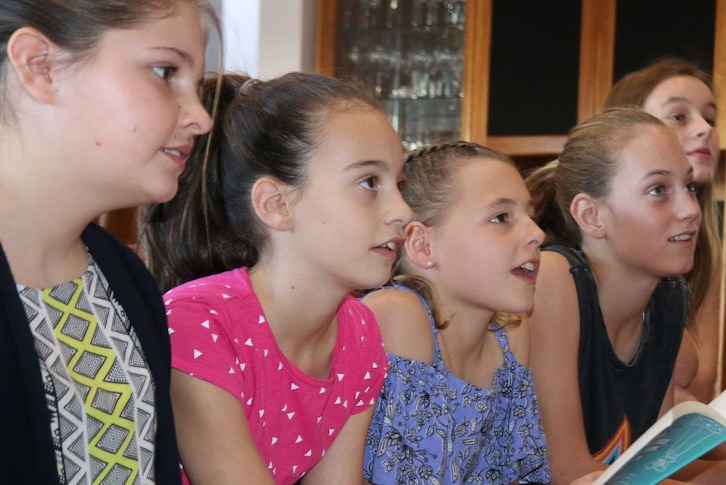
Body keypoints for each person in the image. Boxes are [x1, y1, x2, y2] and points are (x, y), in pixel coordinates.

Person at [526, 106, 726, 484]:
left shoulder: (667, 300)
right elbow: (572, 474)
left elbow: (645, 469)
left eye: (690, 187)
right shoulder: (556, 280)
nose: (690, 210)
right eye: (657, 190)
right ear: (591, 215)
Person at [140, 71, 412, 485]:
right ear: (276, 204)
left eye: (400, 184)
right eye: (369, 182)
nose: (403, 211)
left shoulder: (359, 330)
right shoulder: (198, 323)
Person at [0, 1, 217, 483]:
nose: (200, 118)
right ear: (40, 66)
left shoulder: (124, 278)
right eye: (165, 72)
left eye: (197, 86)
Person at [361, 141, 553, 484]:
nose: (537, 234)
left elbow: (520, 475)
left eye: (531, 217)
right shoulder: (398, 315)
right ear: (423, 245)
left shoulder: (510, 334)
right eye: (501, 218)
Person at [604, 57, 723, 404]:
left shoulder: (704, 245)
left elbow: (700, 380)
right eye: (679, 116)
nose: (705, 129)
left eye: (711, 118)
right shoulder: (570, 248)